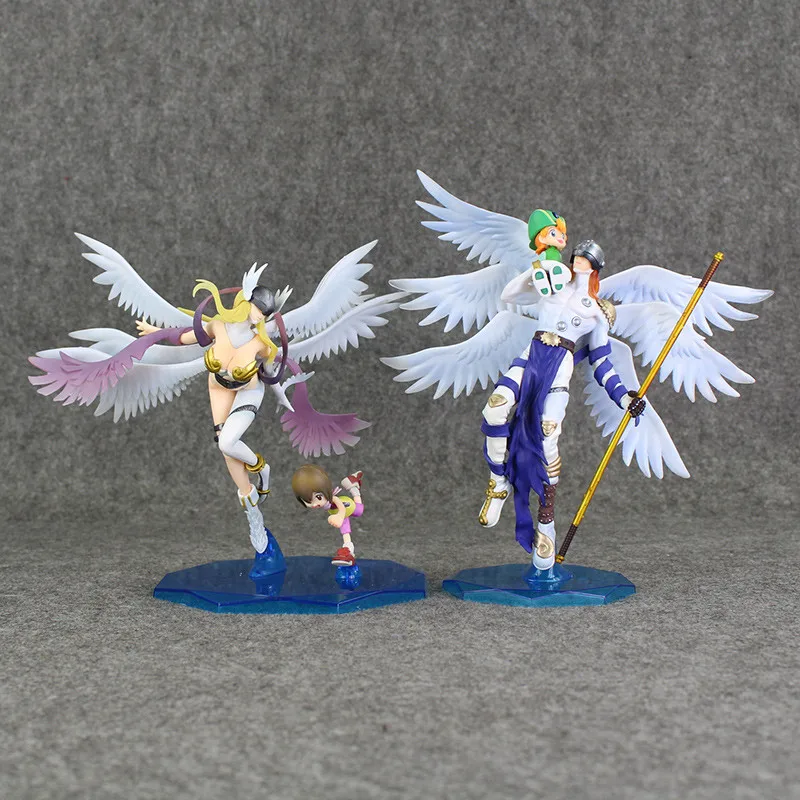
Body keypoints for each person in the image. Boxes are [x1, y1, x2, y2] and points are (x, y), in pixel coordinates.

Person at [479, 240, 646, 571]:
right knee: (494, 409)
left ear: (595, 267)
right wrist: (536, 271)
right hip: (532, 355)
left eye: (586, 259)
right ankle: (498, 483)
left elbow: (602, 362)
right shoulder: (553, 282)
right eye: (577, 256)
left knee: (548, 437)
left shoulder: (598, 312)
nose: (579, 261)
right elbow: (510, 295)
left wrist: (624, 397)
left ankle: (546, 522)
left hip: (559, 367)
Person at [137, 264, 291, 555]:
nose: (262, 316)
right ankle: (253, 512)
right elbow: (183, 337)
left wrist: (281, 396)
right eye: (260, 309)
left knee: (228, 442)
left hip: (248, 391)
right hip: (218, 388)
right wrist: (154, 333)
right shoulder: (218, 326)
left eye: (267, 313)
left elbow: (271, 375)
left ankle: (262, 468)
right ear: (246, 302)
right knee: (226, 449)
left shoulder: (262, 345)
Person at [292, 465, 364, 566]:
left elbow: (341, 507)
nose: (314, 504)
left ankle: (353, 488)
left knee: (359, 510)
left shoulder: (333, 499)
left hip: (346, 507)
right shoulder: (325, 502)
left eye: (318, 497)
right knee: (345, 531)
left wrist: (339, 516)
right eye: (308, 501)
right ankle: (347, 549)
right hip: (338, 511)